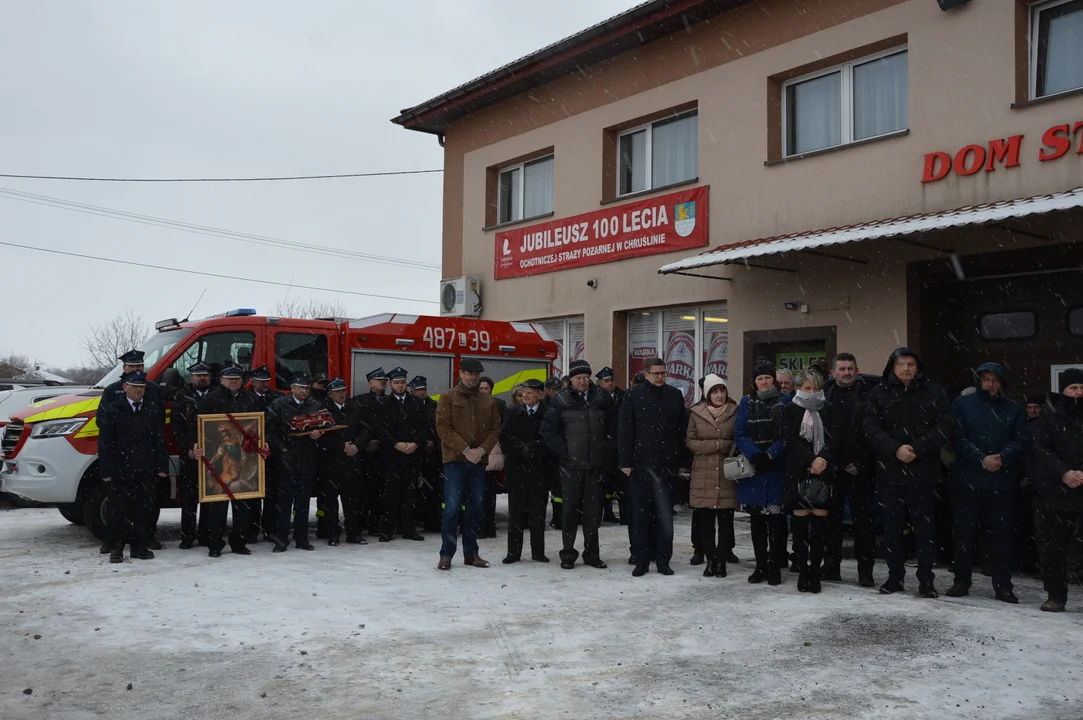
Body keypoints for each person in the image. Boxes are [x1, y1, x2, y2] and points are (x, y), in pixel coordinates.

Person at [864, 348, 953, 598]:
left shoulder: (934, 392)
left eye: (911, 364)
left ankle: (926, 580)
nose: (906, 369)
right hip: (889, 474)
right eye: (901, 364)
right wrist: (895, 450)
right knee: (892, 530)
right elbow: (871, 428)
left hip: (924, 474)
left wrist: (919, 447)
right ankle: (894, 578)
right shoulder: (879, 393)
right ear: (892, 367)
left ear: (918, 367)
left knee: (924, 530)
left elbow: (945, 426)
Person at [946, 363, 1027, 603]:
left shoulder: (1013, 409)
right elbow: (956, 438)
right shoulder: (962, 405)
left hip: (1001, 482)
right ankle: (961, 581)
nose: (990, 384)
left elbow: (1021, 439)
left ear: (1002, 383)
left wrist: (1002, 457)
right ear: (978, 381)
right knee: (963, 534)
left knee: (1001, 536)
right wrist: (980, 459)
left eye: (995, 380)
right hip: (967, 480)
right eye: (985, 379)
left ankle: (1003, 585)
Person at [542, 360, 616, 571]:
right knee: (569, 512)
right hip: (571, 466)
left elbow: (614, 425)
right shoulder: (560, 399)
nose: (582, 381)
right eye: (578, 378)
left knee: (593, 513)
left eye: (586, 377)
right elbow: (548, 430)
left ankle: (592, 554)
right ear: (571, 380)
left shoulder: (601, 397)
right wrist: (564, 451)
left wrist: (606, 448)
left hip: (595, 465)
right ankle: (568, 554)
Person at [618, 357, 686, 577]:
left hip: (667, 465)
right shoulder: (634, 395)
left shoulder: (675, 395)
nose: (660, 377)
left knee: (664, 515)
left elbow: (680, 430)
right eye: (656, 373)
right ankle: (641, 559)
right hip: (640, 466)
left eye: (663, 373)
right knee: (640, 515)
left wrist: (682, 462)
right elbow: (626, 429)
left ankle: (663, 559)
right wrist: (625, 462)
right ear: (646, 374)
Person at [436, 358, 501, 569]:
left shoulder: (487, 400)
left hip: (478, 462)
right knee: (452, 508)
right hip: (455, 460)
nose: (473, 377)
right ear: (461, 373)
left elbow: (495, 429)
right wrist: (466, 450)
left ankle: (472, 554)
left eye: (476, 374)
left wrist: (481, 450)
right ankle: (446, 554)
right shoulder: (448, 397)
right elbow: (443, 428)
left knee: (475, 508)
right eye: (469, 373)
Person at [97, 370, 168, 563]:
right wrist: (106, 470)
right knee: (119, 511)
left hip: (146, 470)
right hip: (121, 471)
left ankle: (139, 547)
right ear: (125, 387)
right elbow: (105, 443)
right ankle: (117, 548)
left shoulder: (152, 410)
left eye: (142, 387)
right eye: (135, 387)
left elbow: (160, 441)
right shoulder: (113, 409)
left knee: (143, 511)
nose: (139, 391)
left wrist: (162, 466)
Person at [193, 365, 263, 558]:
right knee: (218, 504)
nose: (234, 382)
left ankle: (239, 543)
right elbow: (197, 427)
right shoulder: (210, 400)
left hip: (245, 457)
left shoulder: (251, 399)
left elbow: (261, 426)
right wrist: (196, 446)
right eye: (229, 378)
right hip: (218, 457)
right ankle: (214, 544)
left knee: (242, 504)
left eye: (237, 378)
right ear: (221, 380)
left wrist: (261, 443)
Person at [822, 353, 878, 586]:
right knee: (831, 522)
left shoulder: (870, 395)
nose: (846, 373)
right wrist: (832, 461)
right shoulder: (823, 396)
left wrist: (861, 462)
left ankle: (865, 573)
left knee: (864, 524)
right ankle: (832, 567)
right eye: (842, 369)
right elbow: (819, 433)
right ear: (833, 372)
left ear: (857, 370)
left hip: (861, 470)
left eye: (850, 368)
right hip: (833, 468)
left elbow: (875, 432)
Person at [734, 358, 791, 585]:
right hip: (755, 469)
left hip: (777, 468)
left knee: (777, 522)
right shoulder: (747, 403)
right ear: (754, 382)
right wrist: (755, 454)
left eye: (767, 377)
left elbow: (789, 435)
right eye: (760, 378)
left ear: (773, 379)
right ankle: (760, 565)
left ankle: (775, 565)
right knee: (757, 523)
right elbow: (740, 433)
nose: (764, 381)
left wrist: (771, 454)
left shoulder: (785, 401)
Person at [1032, 370, 1083, 612]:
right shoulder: (1049, 417)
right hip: (1058, 492)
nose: (1078, 393)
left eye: (1082, 388)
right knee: (1055, 546)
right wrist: (1064, 472)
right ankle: (1056, 594)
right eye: (1073, 388)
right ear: (1063, 390)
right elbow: (1041, 450)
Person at [780, 366, 834, 594]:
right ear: (800, 388)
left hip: (825, 471)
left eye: (816, 388)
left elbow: (836, 439)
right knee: (800, 529)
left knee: (820, 529)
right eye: (807, 388)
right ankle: (802, 570)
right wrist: (811, 460)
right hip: (798, 472)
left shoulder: (829, 409)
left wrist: (822, 459)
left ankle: (815, 573)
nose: (812, 392)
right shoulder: (791, 409)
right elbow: (791, 441)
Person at [685, 374, 738, 578]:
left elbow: (737, 438)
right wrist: (716, 445)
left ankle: (722, 560)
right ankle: (710, 560)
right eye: (714, 391)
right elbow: (690, 441)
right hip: (703, 474)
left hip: (727, 473)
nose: (719, 395)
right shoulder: (696, 413)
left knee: (725, 521)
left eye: (722, 390)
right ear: (707, 393)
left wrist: (724, 446)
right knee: (706, 523)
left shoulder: (735, 411)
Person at [267, 372, 325, 552]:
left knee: (303, 504)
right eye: (300, 387)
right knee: (284, 504)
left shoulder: (315, 405)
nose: (304, 391)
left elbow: (324, 426)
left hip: (307, 460)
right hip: (285, 461)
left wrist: (318, 435)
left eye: (307, 388)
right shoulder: (279, 404)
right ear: (292, 388)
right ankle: (281, 540)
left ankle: (302, 539)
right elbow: (270, 431)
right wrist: (282, 448)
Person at [501, 378, 555, 563]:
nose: (525, 395)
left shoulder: (548, 413)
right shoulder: (512, 412)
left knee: (537, 515)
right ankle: (513, 553)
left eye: (530, 392)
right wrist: (520, 448)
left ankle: (538, 552)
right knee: (515, 514)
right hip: (517, 470)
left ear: (539, 395)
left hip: (539, 471)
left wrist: (532, 448)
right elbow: (505, 436)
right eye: (524, 392)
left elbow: (550, 438)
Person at [378, 367, 429, 543]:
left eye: (403, 382)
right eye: (397, 383)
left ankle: (409, 530)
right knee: (390, 494)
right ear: (390, 384)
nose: (400, 386)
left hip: (412, 455)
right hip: (392, 456)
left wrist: (415, 443)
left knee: (410, 494)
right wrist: (395, 444)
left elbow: (424, 427)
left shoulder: (416, 403)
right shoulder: (384, 403)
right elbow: (380, 429)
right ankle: (387, 530)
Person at [318, 377, 370, 546]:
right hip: (331, 463)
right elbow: (321, 437)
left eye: (343, 391)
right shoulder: (322, 409)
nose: (342, 394)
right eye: (338, 392)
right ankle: (333, 534)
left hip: (352, 462)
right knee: (330, 502)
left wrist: (357, 445)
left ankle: (353, 534)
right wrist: (341, 446)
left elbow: (365, 429)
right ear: (330, 394)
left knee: (352, 501)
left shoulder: (355, 407)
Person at [171, 363, 213, 550]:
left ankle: (206, 534)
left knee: (209, 497)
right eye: (198, 375)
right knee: (189, 498)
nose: (202, 378)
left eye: (205, 375)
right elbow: (176, 427)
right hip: (189, 455)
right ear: (191, 377)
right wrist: (188, 449)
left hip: (213, 454)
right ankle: (187, 537)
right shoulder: (182, 396)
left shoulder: (217, 395)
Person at [248, 365, 284, 541]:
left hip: (273, 452)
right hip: (251, 452)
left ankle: (270, 529)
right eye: (261, 381)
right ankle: (252, 530)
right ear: (252, 381)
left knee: (272, 494)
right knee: (252, 494)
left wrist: (273, 442)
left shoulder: (277, 397)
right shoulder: (246, 398)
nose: (264, 384)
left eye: (266, 381)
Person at [354, 368, 388, 537]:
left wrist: (381, 441)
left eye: (384, 379)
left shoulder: (390, 401)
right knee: (362, 492)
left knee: (380, 492)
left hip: (384, 454)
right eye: (378, 379)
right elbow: (357, 426)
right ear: (370, 383)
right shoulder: (359, 401)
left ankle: (376, 525)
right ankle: (359, 525)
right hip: (365, 454)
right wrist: (365, 442)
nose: (383, 382)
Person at [410, 376, 443, 533]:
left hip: (431, 455)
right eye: (418, 389)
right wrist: (421, 442)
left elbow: (437, 427)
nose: (421, 392)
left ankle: (432, 521)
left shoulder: (433, 405)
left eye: (423, 389)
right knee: (411, 487)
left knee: (432, 489)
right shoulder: (408, 404)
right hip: (413, 451)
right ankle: (413, 519)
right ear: (412, 391)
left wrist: (432, 442)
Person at [478, 376, 507, 538]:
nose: (483, 391)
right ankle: (480, 526)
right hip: (476, 453)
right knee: (477, 494)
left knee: (490, 493)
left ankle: (490, 526)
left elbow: (502, 426)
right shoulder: (471, 403)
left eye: (486, 388)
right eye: (480, 388)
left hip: (493, 453)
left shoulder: (499, 404)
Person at [596, 366, 624, 526]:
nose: (610, 383)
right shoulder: (596, 397)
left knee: (618, 483)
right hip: (602, 445)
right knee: (602, 484)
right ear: (600, 383)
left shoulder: (623, 396)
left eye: (612, 380)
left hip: (619, 445)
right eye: (606, 381)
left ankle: (618, 514)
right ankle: (602, 513)